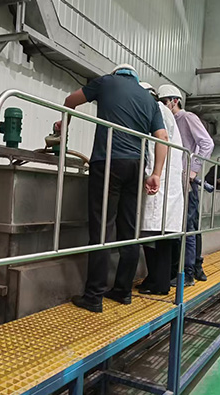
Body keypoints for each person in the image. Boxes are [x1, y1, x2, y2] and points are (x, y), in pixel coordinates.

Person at [54, 64, 169, 313]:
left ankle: (94, 296)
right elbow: (163, 138)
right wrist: (156, 174)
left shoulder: (106, 82)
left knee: (102, 228)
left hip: (108, 162)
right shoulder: (149, 100)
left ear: (117, 73)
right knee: (129, 230)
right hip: (137, 166)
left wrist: (65, 123)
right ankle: (123, 290)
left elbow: (70, 100)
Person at [158, 84, 214, 287]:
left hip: (186, 181)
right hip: (175, 180)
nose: (163, 105)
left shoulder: (187, 117)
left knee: (187, 227)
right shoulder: (169, 121)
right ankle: (190, 268)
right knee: (182, 226)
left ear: (175, 101)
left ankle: (189, 272)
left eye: (165, 102)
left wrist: (193, 170)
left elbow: (207, 143)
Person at [137, 82, 184, 295]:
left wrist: (152, 173)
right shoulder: (163, 111)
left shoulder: (155, 109)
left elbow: (155, 143)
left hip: (159, 178)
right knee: (157, 234)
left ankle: (160, 284)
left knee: (158, 235)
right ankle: (154, 279)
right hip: (166, 179)